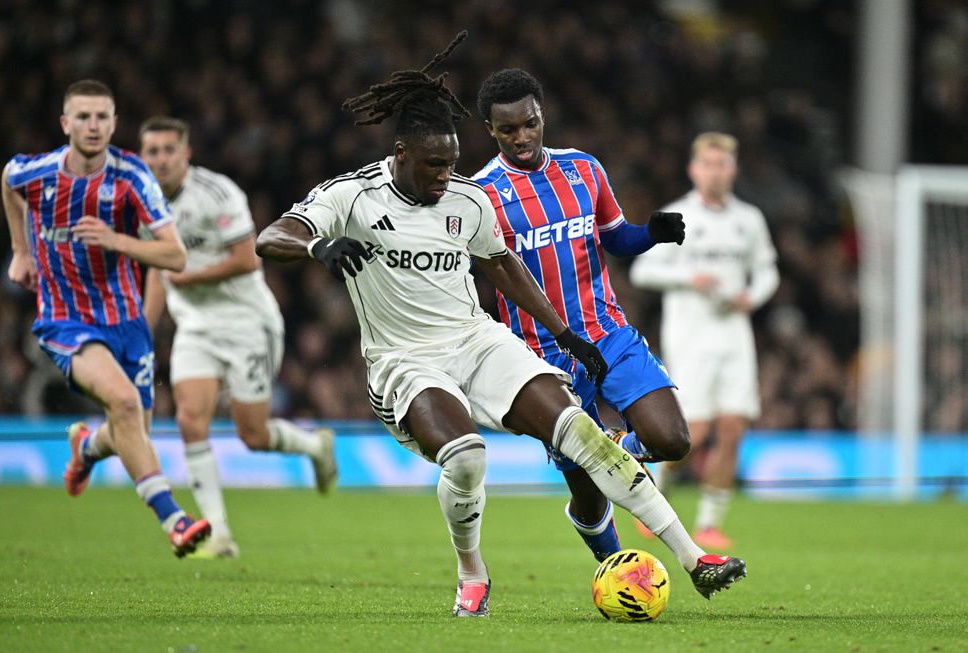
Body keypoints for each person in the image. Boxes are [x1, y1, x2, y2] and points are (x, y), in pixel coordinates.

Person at [256, 32, 744, 617]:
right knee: (466, 457)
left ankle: (695, 559)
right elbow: (272, 236)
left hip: (487, 341)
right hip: (406, 360)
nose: (445, 177)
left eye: (451, 164)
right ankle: (473, 571)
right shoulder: (356, 196)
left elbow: (506, 268)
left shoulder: (472, 197)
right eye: (434, 166)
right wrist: (319, 247)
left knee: (590, 435)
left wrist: (568, 334)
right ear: (402, 152)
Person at [472, 68, 745, 588]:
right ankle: (620, 571)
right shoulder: (482, 195)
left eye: (529, 124)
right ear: (491, 130)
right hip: (541, 359)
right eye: (509, 130)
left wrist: (652, 234)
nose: (522, 137)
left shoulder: (584, 170)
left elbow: (616, 239)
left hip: (607, 332)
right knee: (590, 492)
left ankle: (614, 446)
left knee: (673, 440)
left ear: (542, 115)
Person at [0, 79, 210, 557]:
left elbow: (175, 257)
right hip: (65, 320)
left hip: (127, 323)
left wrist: (117, 241)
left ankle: (87, 448)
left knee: (129, 429)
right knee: (125, 404)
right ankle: (175, 521)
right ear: (65, 123)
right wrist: (20, 250)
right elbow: (9, 181)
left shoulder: (131, 178)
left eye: (101, 118)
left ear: (114, 124)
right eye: (83, 117)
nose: (92, 126)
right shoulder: (36, 173)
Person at [138, 116, 338, 559]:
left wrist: (192, 278)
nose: (161, 159)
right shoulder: (144, 205)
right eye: (152, 151)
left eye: (169, 150)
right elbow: (156, 268)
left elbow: (248, 259)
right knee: (191, 420)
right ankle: (221, 535)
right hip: (195, 326)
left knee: (252, 433)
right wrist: (143, 331)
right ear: (142, 156)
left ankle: (314, 445)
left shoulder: (218, 193)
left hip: (247, 321)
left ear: (186, 152)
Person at [630, 132, 779, 549]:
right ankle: (656, 496)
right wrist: (688, 278)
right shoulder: (678, 216)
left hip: (735, 334)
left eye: (723, 163)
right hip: (691, 336)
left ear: (733, 168)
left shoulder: (748, 219)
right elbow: (642, 272)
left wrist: (753, 295)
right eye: (708, 163)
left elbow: (767, 270)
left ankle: (710, 522)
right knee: (691, 433)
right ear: (694, 169)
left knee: (733, 426)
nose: (716, 171)